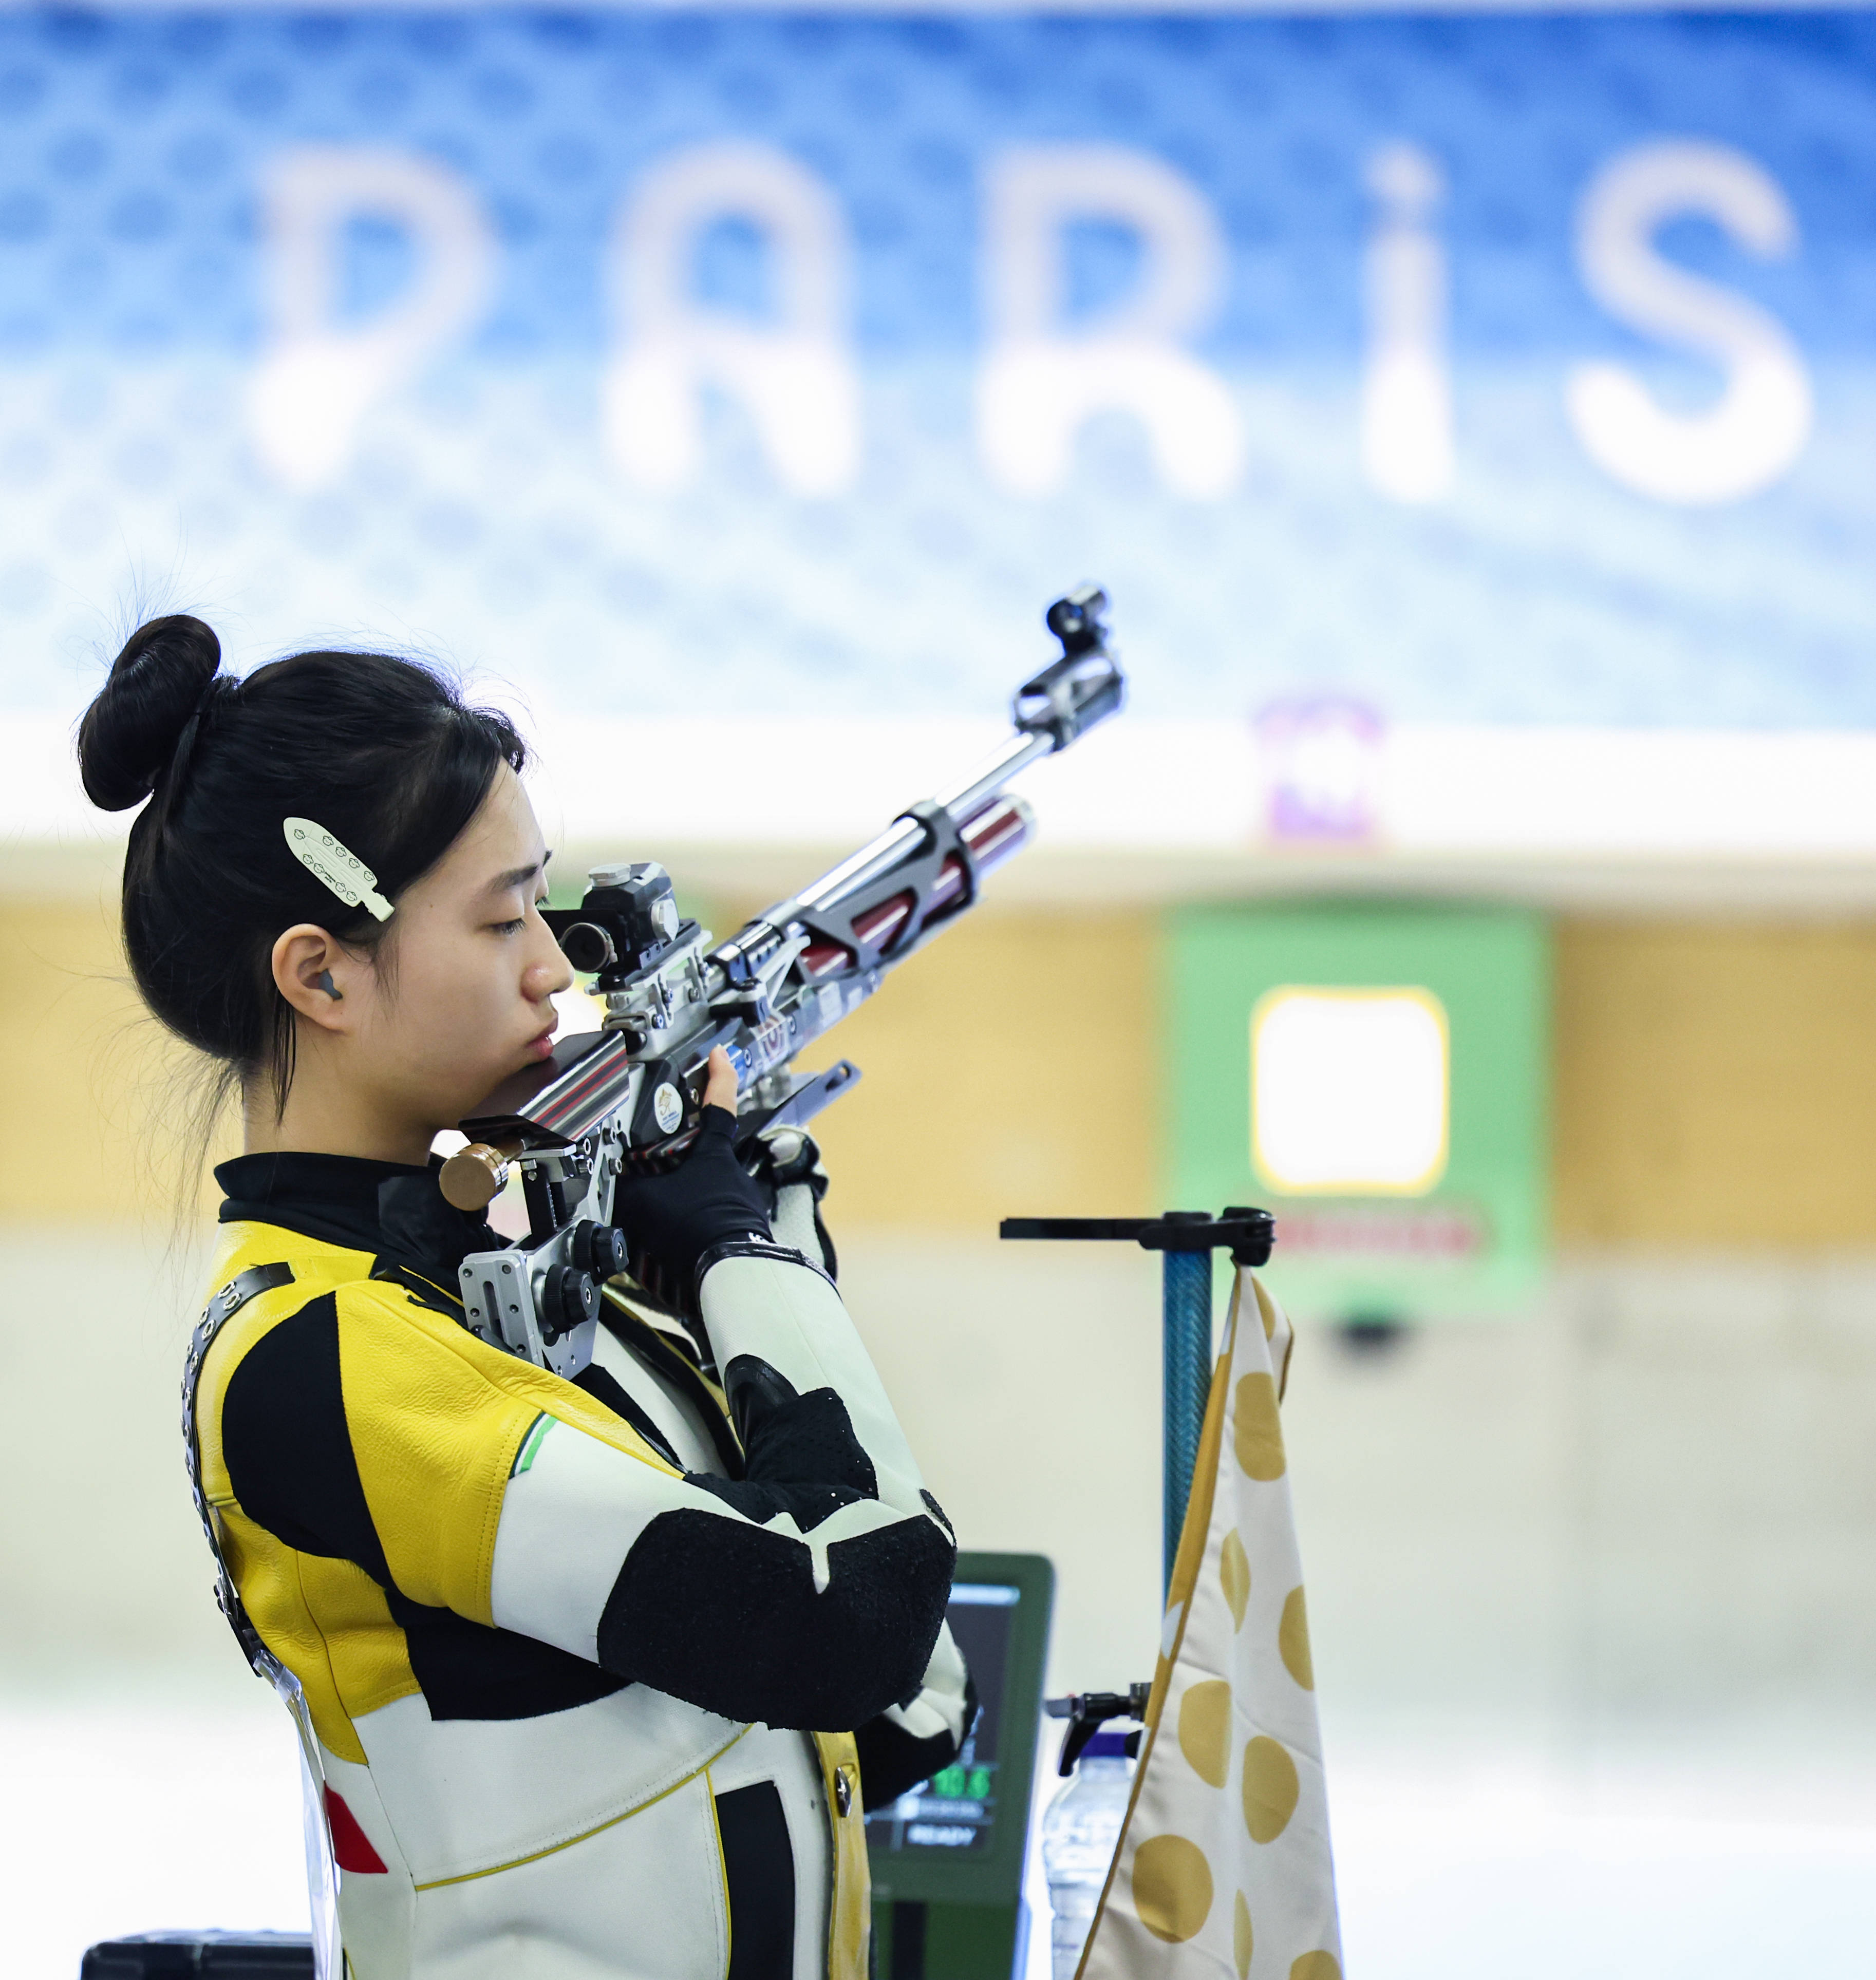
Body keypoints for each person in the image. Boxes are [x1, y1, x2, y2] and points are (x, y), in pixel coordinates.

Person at [78, 615, 972, 1980]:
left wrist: (747, 1223)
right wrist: (742, 1249)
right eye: (502, 920)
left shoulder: (509, 1293)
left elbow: (905, 1718)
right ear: (321, 972)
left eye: (547, 910)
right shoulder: (319, 1362)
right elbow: (844, 1621)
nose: (556, 968)